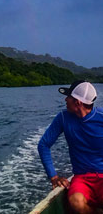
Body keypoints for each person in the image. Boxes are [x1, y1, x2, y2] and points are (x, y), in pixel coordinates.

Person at [38, 80, 103, 214]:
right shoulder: (63, 118)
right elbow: (44, 145)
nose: (65, 99)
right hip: (82, 177)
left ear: (78, 102)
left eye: (69, 97)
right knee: (76, 202)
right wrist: (53, 177)